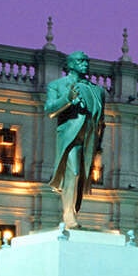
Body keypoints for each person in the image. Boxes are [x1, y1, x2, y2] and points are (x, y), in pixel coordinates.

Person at [44, 52, 105, 229]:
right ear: (70, 65)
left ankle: (73, 211)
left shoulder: (98, 90)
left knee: (83, 175)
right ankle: (68, 215)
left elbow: (102, 120)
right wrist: (68, 99)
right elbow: (49, 109)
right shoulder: (57, 85)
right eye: (80, 61)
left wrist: (99, 143)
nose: (85, 64)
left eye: (86, 61)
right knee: (75, 171)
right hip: (70, 135)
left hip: (90, 136)